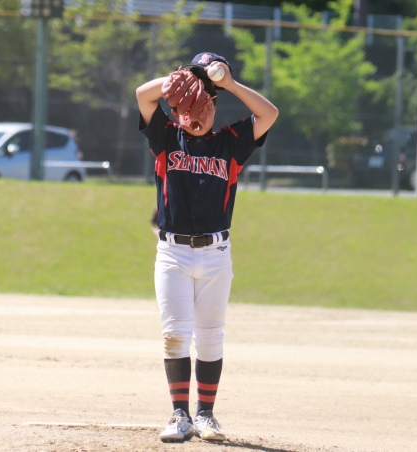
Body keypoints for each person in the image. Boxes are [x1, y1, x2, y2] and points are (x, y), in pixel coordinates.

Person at [135, 52, 279, 443]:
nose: (197, 109)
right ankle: (179, 415)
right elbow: (143, 95)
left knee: (211, 335)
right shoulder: (166, 137)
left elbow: (269, 114)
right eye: (189, 102)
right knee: (174, 334)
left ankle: (206, 416)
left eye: (205, 101)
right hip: (173, 253)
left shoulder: (230, 143)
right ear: (177, 106)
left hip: (215, 254)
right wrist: (179, 79)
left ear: (215, 106)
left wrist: (228, 84)